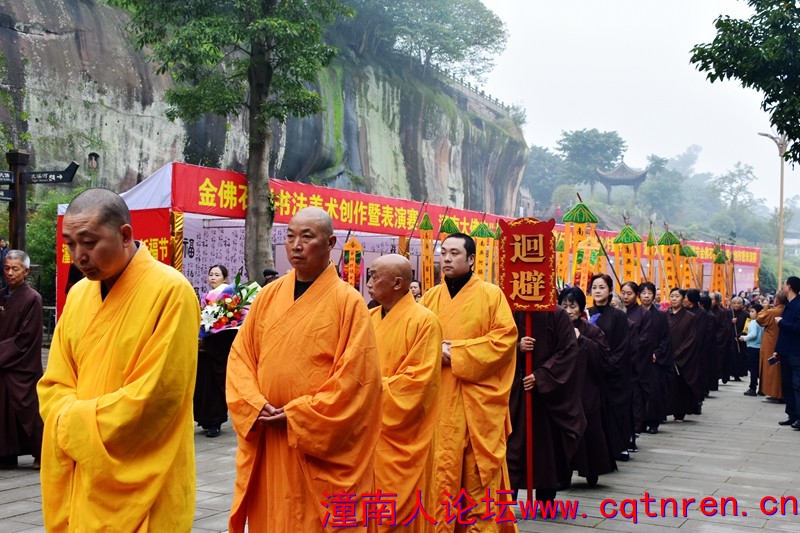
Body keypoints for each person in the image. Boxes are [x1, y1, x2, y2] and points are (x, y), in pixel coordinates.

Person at [38, 188, 199, 531]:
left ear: (125, 235)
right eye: (70, 244)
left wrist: (70, 423)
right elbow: (54, 382)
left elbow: (157, 398)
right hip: (85, 470)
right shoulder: (79, 294)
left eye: (89, 242)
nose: (79, 255)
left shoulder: (171, 292)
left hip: (144, 476)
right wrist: (73, 422)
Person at [226, 207, 382, 532]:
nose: (296, 245)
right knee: (272, 517)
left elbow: (356, 380)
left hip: (313, 444)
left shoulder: (349, 303)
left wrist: (299, 415)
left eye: (307, 237)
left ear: (330, 242)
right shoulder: (267, 296)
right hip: (268, 435)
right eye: (290, 236)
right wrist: (253, 403)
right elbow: (241, 357)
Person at [419, 233, 517, 532]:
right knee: (440, 471)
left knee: (477, 476)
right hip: (438, 401)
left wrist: (455, 353)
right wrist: (434, 352)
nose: (446, 259)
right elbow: (415, 340)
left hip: (476, 403)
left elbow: (504, 341)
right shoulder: (429, 298)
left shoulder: (491, 295)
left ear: (472, 259)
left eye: (454, 253)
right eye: (443, 253)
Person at [367, 254, 441, 532]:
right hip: (369, 432)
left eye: (375, 276)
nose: (370, 283)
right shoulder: (369, 317)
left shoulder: (425, 322)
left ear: (398, 283)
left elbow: (416, 384)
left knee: (400, 510)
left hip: (404, 435)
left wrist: (366, 389)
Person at [559, 286, 613, 488]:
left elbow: (604, 359)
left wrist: (581, 339)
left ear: (580, 308)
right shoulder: (555, 328)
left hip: (587, 388)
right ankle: (562, 474)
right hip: (562, 389)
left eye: (572, 306)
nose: (568, 310)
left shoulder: (592, 330)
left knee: (590, 431)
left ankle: (592, 471)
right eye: (564, 305)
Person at [0, 250, 43, 469]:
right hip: (4, 362)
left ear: (25, 271)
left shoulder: (32, 298)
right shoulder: (1, 294)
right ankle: (6, 453)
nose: (10, 273)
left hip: (22, 363)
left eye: (15, 269)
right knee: (3, 409)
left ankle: (42, 452)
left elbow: (26, 337)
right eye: (7, 268)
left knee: (28, 408)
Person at [588, 274, 631, 462]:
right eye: (595, 287)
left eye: (602, 287)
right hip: (589, 372)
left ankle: (617, 446)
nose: (598, 291)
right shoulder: (586, 313)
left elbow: (622, 346)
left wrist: (607, 365)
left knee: (614, 411)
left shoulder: (619, 316)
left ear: (610, 290)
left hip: (612, 373)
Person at [195, 264, 233, 438]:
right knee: (204, 382)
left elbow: (233, 318)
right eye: (211, 274)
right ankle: (205, 418)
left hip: (221, 346)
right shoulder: (205, 297)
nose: (213, 277)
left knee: (218, 382)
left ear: (225, 278)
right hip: (207, 345)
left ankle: (216, 421)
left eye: (217, 275)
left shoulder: (229, 296)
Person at [620, 281, 652, 443]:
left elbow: (645, 338)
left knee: (636, 397)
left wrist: (629, 348)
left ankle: (635, 430)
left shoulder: (643, 314)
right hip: (618, 362)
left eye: (629, 293)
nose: (626, 297)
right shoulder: (619, 312)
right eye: (623, 293)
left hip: (636, 361)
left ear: (636, 295)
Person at [639, 282, 673, 434]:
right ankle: (640, 421)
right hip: (637, 359)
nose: (646, 295)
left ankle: (654, 422)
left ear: (654, 295)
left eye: (649, 293)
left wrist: (658, 353)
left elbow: (666, 337)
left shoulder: (660, 315)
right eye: (643, 292)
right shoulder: (634, 313)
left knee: (654, 391)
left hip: (654, 359)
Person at [665, 288, 702, 421]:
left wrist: (678, 354)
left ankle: (679, 412)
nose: (674, 299)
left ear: (683, 299)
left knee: (680, 386)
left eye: (677, 296)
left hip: (681, 358)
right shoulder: (664, 315)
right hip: (665, 355)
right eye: (672, 296)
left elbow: (691, 338)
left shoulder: (690, 317)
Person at [775, 277, 800, 429]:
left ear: (789, 286)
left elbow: (797, 328)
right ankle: (791, 414)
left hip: (796, 351)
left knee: (797, 385)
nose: (783, 287)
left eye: (784, 284)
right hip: (785, 350)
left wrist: (781, 322)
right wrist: (777, 349)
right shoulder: (788, 305)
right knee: (787, 384)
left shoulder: (798, 304)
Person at [756, 291, 785, 401]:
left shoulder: (772, 312)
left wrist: (766, 307)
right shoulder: (785, 311)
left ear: (776, 300)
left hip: (770, 343)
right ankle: (780, 393)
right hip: (781, 342)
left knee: (771, 368)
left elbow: (759, 319)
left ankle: (774, 393)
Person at [740, 303, 764, 396]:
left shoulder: (754, 322)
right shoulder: (763, 322)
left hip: (753, 347)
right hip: (760, 347)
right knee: (759, 369)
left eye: (753, 311)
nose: (750, 313)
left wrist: (744, 338)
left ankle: (752, 387)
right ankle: (762, 388)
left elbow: (753, 334)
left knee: (753, 369)